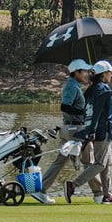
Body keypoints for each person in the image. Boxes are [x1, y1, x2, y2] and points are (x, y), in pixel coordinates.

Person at [66, 59, 112, 204]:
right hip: (102, 131)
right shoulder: (103, 89)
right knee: (100, 164)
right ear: (104, 74)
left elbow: (94, 110)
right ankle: (73, 185)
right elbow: (97, 113)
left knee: (108, 164)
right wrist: (92, 131)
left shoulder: (92, 89)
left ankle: (106, 194)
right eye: (110, 72)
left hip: (99, 130)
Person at [40, 59, 94, 194]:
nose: (86, 74)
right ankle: (100, 193)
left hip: (71, 128)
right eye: (84, 72)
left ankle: (42, 188)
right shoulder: (72, 86)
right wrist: (82, 112)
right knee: (92, 163)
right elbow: (65, 107)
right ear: (77, 72)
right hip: (74, 130)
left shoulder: (74, 85)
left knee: (61, 161)